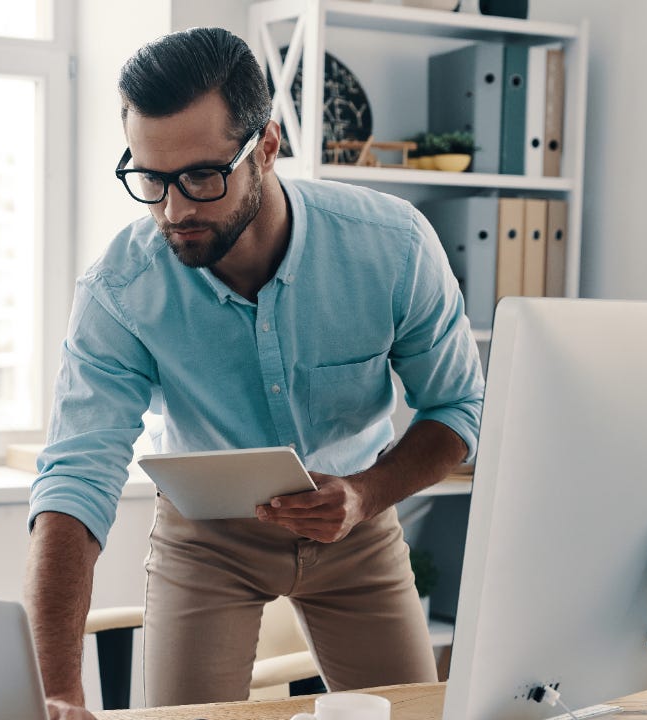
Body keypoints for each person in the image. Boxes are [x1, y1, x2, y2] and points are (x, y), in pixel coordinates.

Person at [24, 27, 484, 720]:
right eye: (151, 179)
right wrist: (54, 690)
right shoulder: (121, 290)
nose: (174, 211)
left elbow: (457, 410)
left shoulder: (392, 248)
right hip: (206, 540)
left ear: (266, 148)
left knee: (411, 718)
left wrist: (364, 494)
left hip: (356, 520)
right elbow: (74, 479)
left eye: (202, 177)